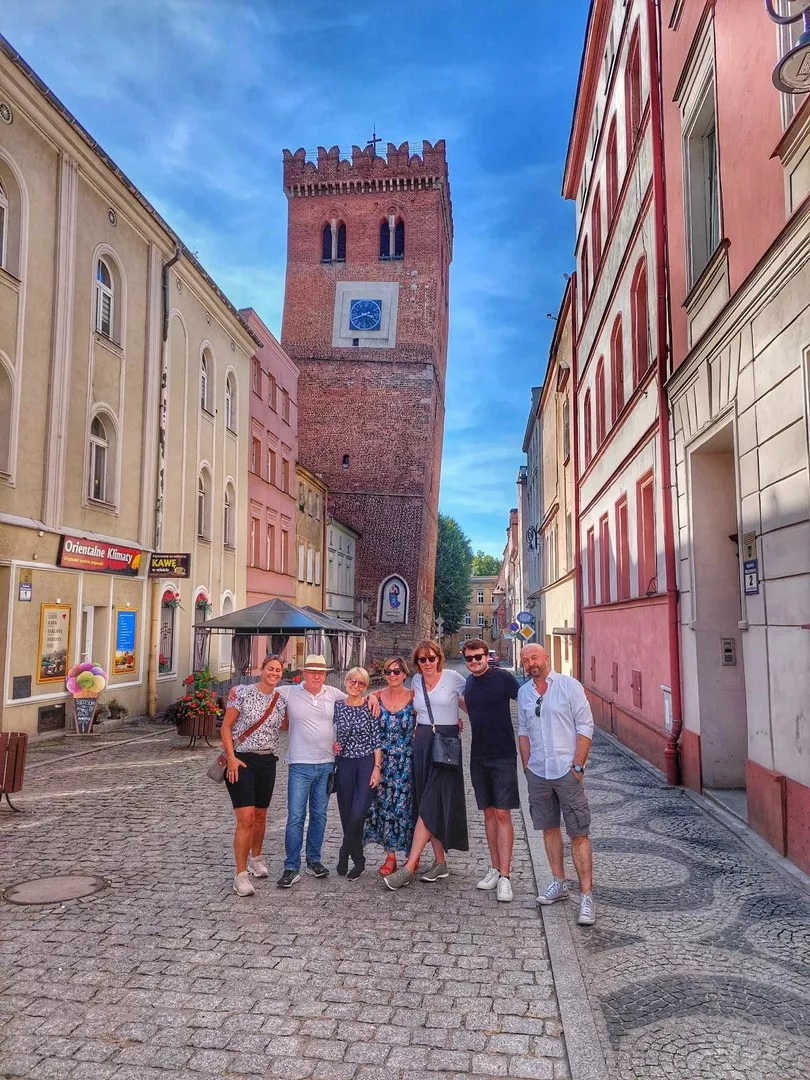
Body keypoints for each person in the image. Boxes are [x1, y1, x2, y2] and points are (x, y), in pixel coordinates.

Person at [517, 643, 596, 926]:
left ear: (546, 657)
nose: (530, 664)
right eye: (526, 660)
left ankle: (586, 896)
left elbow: (585, 726)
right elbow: (523, 730)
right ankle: (558, 883)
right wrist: (526, 766)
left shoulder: (569, 686)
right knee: (549, 829)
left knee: (578, 832)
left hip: (566, 770)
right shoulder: (524, 692)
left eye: (534, 658)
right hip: (538, 771)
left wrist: (578, 766)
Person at [385, 640, 468, 890]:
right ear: (417, 663)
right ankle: (440, 862)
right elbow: (408, 706)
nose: (428, 663)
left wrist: (465, 719)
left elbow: (469, 702)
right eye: (423, 659)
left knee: (430, 803)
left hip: (445, 745)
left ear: (439, 658)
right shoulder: (417, 682)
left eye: (432, 658)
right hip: (421, 744)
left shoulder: (453, 678)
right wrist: (373, 698)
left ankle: (409, 866)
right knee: (427, 801)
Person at [276, 654, 346, 889]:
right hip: (300, 764)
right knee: (296, 816)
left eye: (321, 672)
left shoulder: (333, 694)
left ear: (325, 674)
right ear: (303, 673)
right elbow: (263, 691)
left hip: (327, 764)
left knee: (319, 815)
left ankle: (314, 860)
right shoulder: (289, 692)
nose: (317, 676)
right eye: (312, 672)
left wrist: (376, 698)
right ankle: (291, 866)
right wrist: (239, 691)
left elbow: (357, 701)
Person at [221, 654, 288, 897]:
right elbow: (226, 726)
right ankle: (240, 875)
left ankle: (256, 859)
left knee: (260, 816)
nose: (274, 673)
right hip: (241, 760)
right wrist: (231, 758)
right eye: (270, 668)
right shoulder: (242, 692)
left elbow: (287, 725)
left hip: (267, 760)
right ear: (262, 669)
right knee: (246, 818)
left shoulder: (281, 700)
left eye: (278, 670)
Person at [461, 638, 520, 903]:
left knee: (503, 813)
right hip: (478, 755)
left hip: (503, 755)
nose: (474, 662)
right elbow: (467, 706)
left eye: (478, 657)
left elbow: (526, 701)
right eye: (469, 658)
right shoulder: (469, 683)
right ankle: (495, 869)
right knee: (488, 814)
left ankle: (506, 876)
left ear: (487, 656)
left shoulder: (502, 678)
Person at [364, 656, 416, 876]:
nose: (392, 675)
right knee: (385, 809)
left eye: (396, 671)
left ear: (405, 674)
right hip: (383, 762)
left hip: (407, 761)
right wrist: (370, 696)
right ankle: (391, 856)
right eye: (388, 672)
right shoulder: (376, 697)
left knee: (407, 808)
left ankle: (413, 855)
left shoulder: (414, 697)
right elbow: (356, 703)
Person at [332, 667, 382, 880]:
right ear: (346, 681)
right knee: (346, 814)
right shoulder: (337, 706)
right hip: (344, 764)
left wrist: (377, 768)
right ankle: (359, 860)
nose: (356, 685)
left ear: (366, 687)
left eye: (361, 683)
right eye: (353, 681)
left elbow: (377, 740)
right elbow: (327, 730)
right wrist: (332, 744)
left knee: (357, 813)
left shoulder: (370, 707)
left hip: (365, 763)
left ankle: (344, 852)